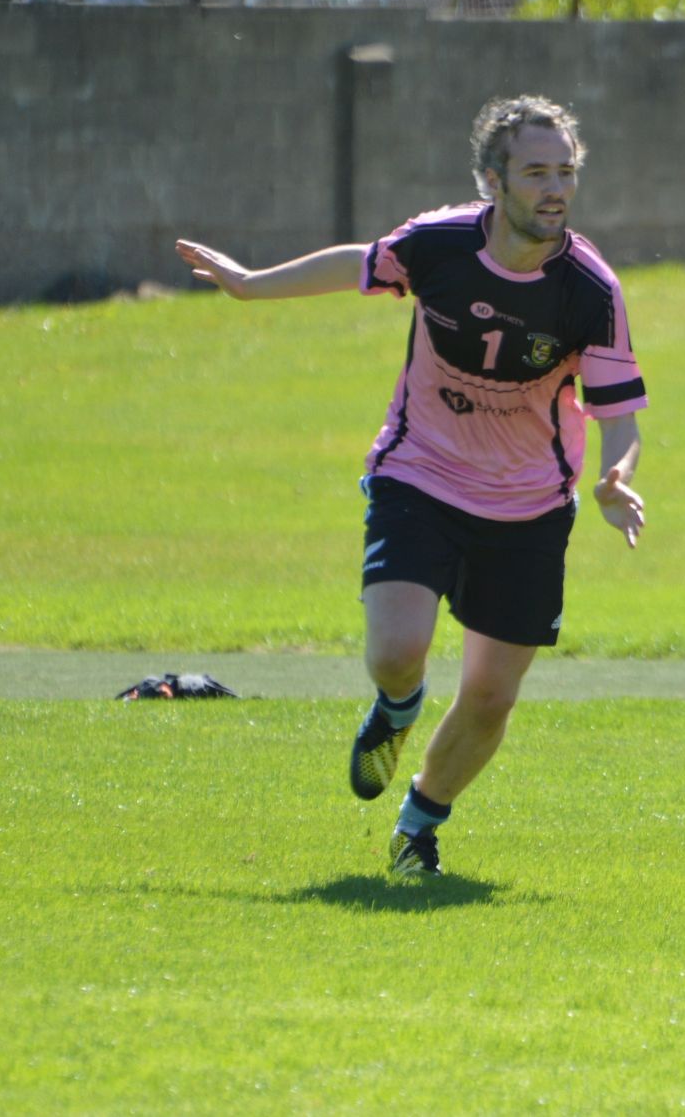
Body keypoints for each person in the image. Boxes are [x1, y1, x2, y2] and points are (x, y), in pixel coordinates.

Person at [176, 95, 647, 879]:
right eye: (535, 172)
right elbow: (361, 263)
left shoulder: (590, 290)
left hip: (529, 505)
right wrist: (251, 283)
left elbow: (620, 413)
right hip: (419, 473)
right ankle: (395, 710)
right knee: (398, 652)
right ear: (493, 180)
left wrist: (613, 476)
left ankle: (419, 823)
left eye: (565, 171)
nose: (555, 187)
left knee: (492, 695)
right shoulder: (439, 244)